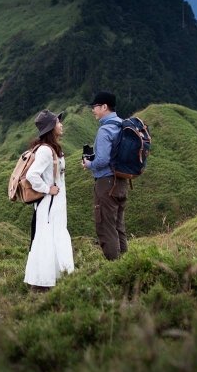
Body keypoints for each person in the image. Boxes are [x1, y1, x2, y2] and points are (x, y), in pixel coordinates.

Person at [24, 109, 75, 290]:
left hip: (54, 204)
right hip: (49, 205)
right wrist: (47, 189)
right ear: (51, 128)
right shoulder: (46, 151)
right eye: (58, 122)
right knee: (48, 238)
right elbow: (32, 175)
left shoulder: (50, 149)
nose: (61, 125)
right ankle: (45, 282)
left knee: (52, 238)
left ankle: (51, 279)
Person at [81, 91, 127, 260]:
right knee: (118, 227)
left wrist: (89, 164)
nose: (93, 110)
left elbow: (102, 160)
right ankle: (126, 264)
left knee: (106, 229)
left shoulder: (104, 130)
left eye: (95, 107)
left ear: (104, 107)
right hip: (121, 182)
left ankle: (115, 269)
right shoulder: (122, 125)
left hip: (106, 184)